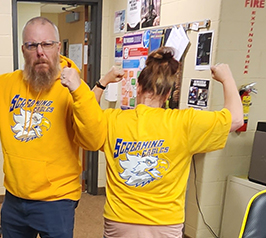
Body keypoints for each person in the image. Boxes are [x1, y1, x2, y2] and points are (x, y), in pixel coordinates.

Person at [0, 16, 106, 238]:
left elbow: (93, 140)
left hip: (57, 200)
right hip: (15, 198)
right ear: (23, 50)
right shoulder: (6, 84)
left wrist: (80, 91)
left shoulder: (73, 88)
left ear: (57, 47)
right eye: (32, 45)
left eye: (46, 44)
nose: (40, 52)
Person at [91, 47, 243, 237]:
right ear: (168, 93)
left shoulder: (112, 119)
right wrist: (227, 78)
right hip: (165, 222)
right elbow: (236, 119)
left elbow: (86, 115)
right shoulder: (185, 122)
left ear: (138, 87)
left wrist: (102, 82)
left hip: (120, 220)